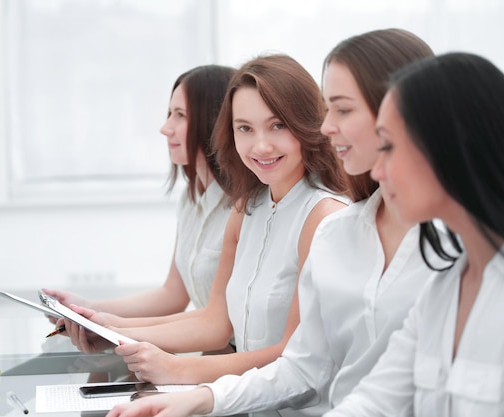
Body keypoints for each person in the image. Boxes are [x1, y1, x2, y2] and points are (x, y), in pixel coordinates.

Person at [104, 28, 440, 417]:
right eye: (244, 128)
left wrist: (185, 374)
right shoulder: (330, 227)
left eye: (342, 109)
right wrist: (197, 393)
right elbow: (305, 364)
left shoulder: (330, 217)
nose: (328, 126)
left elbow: (315, 367)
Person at [63, 54, 350, 385]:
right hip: (248, 397)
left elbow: (292, 355)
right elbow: (215, 324)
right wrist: (112, 329)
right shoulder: (246, 209)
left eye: (277, 125)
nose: (261, 145)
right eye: (245, 128)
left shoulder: (324, 215)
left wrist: (177, 369)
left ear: (307, 123)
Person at [323, 52, 504, 416]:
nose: (377, 172)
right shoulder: (443, 290)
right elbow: (375, 401)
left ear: (448, 145)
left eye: (387, 146)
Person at [43, 65, 235, 325]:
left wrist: (109, 324)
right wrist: (87, 307)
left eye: (180, 115)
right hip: (213, 351)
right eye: (170, 113)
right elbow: (173, 294)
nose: (166, 128)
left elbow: (215, 322)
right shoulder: (190, 200)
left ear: (213, 121)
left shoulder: (242, 208)